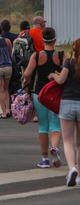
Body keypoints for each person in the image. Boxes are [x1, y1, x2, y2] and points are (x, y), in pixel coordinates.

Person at [23, 27, 64, 168]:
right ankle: (55, 147)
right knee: (55, 125)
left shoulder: (36, 55)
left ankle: (45, 158)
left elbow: (27, 73)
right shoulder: (61, 55)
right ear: (55, 40)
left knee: (43, 126)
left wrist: (25, 81)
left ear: (42, 40)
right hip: (56, 95)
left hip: (40, 94)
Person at [49, 38, 80, 186]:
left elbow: (61, 80)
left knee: (68, 140)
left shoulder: (69, 62)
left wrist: (54, 76)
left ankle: (71, 168)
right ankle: (79, 174)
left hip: (67, 103)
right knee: (79, 143)